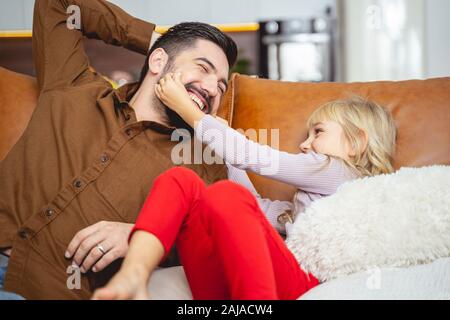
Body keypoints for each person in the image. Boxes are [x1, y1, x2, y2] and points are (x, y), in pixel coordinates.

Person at [0, 0, 236, 299]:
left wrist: (145, 236)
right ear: (158, 62)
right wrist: (155, 42)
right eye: (203, 68)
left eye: (221, 86)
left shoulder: (203, 162)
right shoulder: (73, 85)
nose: (212, 89)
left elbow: (217, 245)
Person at [91, 73, 397, 300]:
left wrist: (190, 111)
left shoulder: (339, 172)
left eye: (317, 132)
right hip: (250, 285)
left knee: (224, 194)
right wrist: (226, 147)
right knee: (182, 180)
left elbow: (252, 157)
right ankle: (134, 274)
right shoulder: (306, 204)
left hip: (302, 284)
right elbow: (253, 208)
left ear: (356, 143)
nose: (305, 145)